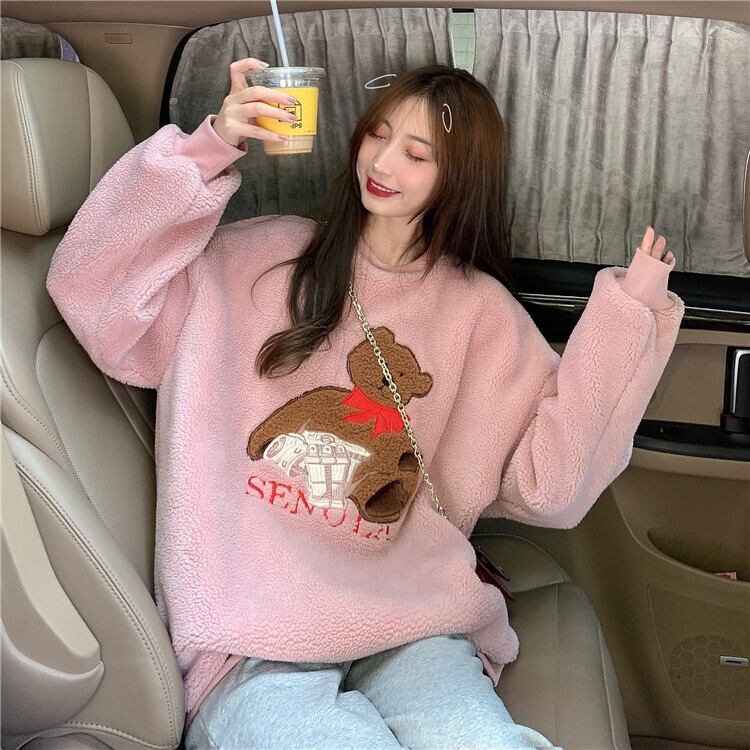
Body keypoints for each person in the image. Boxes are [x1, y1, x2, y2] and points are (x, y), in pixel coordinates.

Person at [46, 57, 684, 749]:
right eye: (378, 134)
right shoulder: (251, 261)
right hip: (253, 628)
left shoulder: (483, 317)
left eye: (417, 153)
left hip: (411, 621)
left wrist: (627, 319)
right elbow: (93, 294)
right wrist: (208, 149)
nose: (382, 162)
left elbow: (551, 486)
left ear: (459, 177)